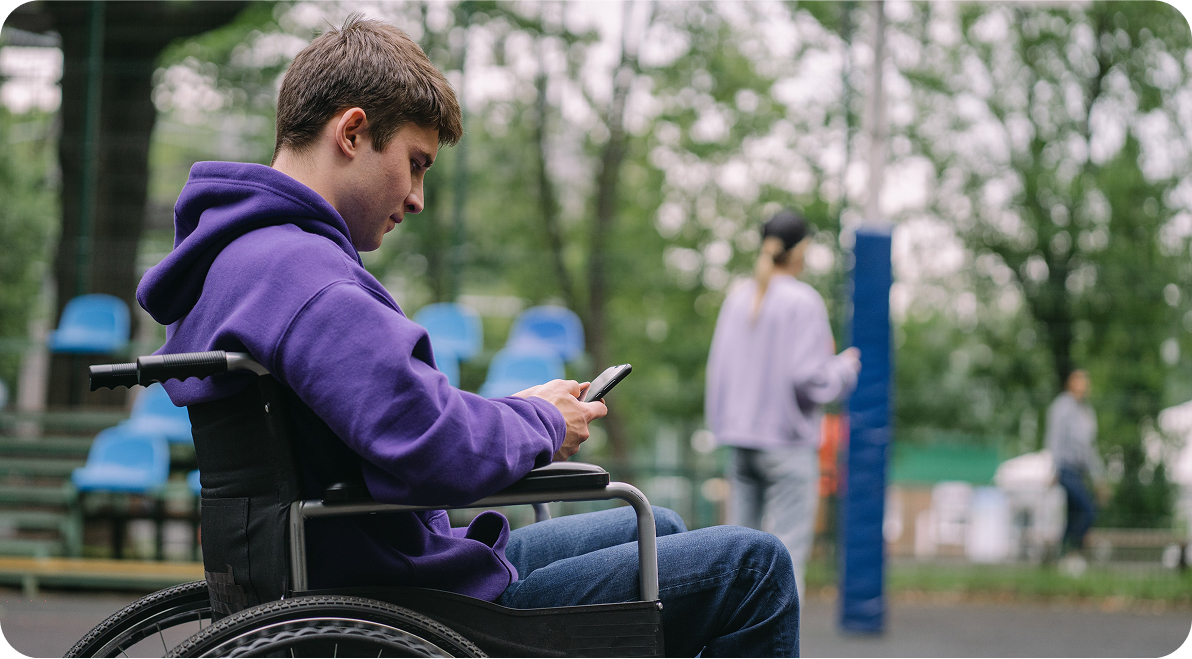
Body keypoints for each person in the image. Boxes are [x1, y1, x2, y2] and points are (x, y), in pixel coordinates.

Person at [136, 17, 798, 657]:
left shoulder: (247, 258)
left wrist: (518, 411)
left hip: (362, 569)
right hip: (407, 602)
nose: (417, 197)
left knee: (659, 528)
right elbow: (429, 444)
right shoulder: (305, 275)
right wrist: (542, 423)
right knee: (754, 567)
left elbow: (396, 417)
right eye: (415, 162)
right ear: (353, 132)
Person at [705, 209, 861, 599]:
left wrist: (724, 427)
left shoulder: (737, 299)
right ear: (801, 249)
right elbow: (809, 379)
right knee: (786, 565)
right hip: (787, 448)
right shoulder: (802, 301)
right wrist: (844, 369)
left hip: (740, 444)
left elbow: (718, 373)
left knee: (737, 567)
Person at [1045, 368, 1107, 563]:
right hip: (1065, 469)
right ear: (1070, 383)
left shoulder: (1086, 412)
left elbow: (1089, 448)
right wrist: (1054, 468)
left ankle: (1059, 557)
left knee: (1073, 515)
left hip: (1079, 471)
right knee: (1087, 509)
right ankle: (1073, 552)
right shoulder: (1061, 407)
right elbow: (1054, 438)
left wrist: (1098, 477)